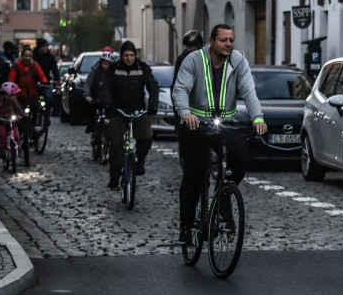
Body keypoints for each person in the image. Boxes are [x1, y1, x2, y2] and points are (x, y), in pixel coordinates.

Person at [172, 24, 267, 243]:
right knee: (194, 173)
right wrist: (185, 113)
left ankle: (224, 196)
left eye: (231, 40)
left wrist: (258, 117)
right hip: (196, 124)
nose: (228, 45)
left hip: (225, 124)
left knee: (241, 160)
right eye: (223, 40)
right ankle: (186, 225)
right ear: (212, 41)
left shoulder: (238, 61)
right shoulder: (194, 60)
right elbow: (181, 90)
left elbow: (249, 92)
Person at [100, 41, 159, 190]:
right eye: (126, 55)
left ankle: (140, 161)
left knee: (146, 136)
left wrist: (153, 103)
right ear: (121, 56)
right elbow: (105, 87)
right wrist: (108, 102)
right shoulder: (113, 69)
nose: (129, 58)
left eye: (132, 55)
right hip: (118, 111)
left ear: (135, 55)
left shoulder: (143, 68)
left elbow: (153, 86)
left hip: (138, 111)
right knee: (116, 143)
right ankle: (114, 177)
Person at [8, 46, 48, 120]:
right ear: (22, 56)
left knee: (36, 108)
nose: (28, 58)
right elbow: (12, 77)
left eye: (30, 56)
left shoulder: (34, 65)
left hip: (33, 92)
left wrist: (44, 82)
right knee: (18, 112)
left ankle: (36, 123)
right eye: (26, 56)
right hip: (20, 93)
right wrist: (11, 85)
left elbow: (41, 74)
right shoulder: (17, 65)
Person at [84, 47, 117, 133]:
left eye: (108, 64)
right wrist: (87, 95)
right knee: (91, 109)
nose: (106, 66)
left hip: (108, 99)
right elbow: (88, 83)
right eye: (104, 64)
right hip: (96, 97)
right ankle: (90, 125)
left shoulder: (114, 73)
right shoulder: (95, 71)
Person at [0, 81, 24, 158]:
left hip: (13, 123)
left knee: (17, 136)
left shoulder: (15, 102)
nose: (13, 97)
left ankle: (18, 147)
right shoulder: (1, 103)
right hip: (3, 123)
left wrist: (21, 114)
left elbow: (19, 109)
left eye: (14, 95)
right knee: (2, 134)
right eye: (12, 95)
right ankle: (1, 149)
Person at [33, 38, 60, 117]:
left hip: (46, 81)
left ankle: (47, 117)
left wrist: (57, 81)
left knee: (49, 98)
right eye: (45, 46)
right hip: (33, 81)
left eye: (47, 46)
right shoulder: (33, 56)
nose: (47, 48)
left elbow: (55, 69)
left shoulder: (50, 57)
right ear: (39, 47)